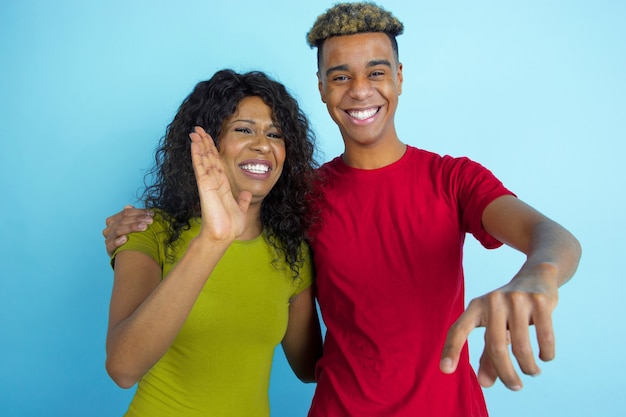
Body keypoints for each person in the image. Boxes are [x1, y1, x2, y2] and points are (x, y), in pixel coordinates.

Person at [103, 3, 582, 416]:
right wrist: (131, 232)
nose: (359, 90)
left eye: (376, 71)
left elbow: (550, 235)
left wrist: (539, 274)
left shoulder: (452, 179)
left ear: (399, 78)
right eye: (340, 76)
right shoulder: (302, 199)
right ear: (322, 87)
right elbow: (231, 237)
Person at [104, 69, 323, 417]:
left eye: (275, 134)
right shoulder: (149, 231)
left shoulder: (292, 253)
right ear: (208, 143)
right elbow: (123, 368)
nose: (262, 144)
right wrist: (213, 241)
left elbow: (310, 367)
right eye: (243, 129)